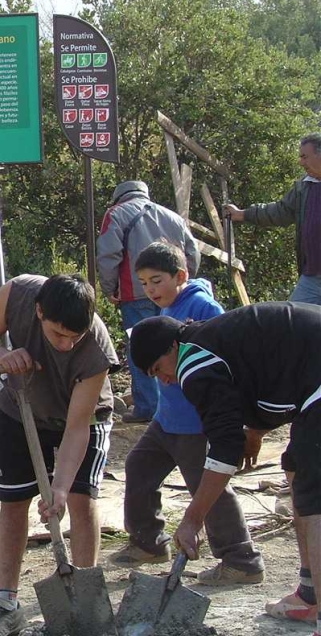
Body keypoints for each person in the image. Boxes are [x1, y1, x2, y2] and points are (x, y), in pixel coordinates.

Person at [130, 303, 321, 634]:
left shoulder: (194, 362)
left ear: (172, 346)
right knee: (295, 466)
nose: (164, 380)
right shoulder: (208, 341)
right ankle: (310, 594)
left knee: (314, 492)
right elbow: (265, 370)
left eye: (159, 369)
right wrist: (256, 431)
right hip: (310, 377)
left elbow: (224, 449)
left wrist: (193, 519)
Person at [0, 274, 118, 636]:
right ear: (38, 312)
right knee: (13, 500)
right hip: (19, 408)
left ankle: (85, 601)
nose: (66, 345)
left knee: (80, 498)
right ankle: (7, 604)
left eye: (74, 337)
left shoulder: (96, 350)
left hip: (81, 417)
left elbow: (77, 428)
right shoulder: (17, 294)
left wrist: (59, 489)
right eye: (58, 334)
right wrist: (4, 356)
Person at [110, 242, 264, 584]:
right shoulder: (162, 310)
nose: (151, 290)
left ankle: (241, 559)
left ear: (180, 276)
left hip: (197, 422)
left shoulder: (203, 307)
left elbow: (224, 358)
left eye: (157, 281)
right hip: (166, 419)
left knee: (209, 489)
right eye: (144, 283)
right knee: (138, 467)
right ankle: (149, 542)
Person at [97, 180, 199, 423]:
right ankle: (179, 406)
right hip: (173, 293)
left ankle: (147, 408)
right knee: (175, 346)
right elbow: (192, 252)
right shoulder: (172, 216)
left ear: (118, 197)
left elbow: (108, 254)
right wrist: (182, 284)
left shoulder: (116, 213)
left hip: (135, 295)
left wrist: (110, 288)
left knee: (140, 348)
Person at [225, 131, 321, 305]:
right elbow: (280, 211)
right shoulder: (304, 187)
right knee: (294, 318)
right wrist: (243, 214)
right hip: (313, 276)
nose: (300, 162)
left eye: (304, 157)